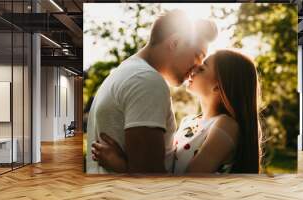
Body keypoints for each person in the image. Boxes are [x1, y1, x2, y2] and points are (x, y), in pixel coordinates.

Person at [86, 9, 218, 173]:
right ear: (175, 43)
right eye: (198, 54)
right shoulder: (146, 81)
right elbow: (150, 180)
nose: (198, 65)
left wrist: (123, 166)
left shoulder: (125, 72)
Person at [92, 49, 263, 174]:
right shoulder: (189, 122)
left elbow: (188, 182)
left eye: (202, 69)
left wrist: (122, 166)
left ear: (218, 86)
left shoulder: (225, 125)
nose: (193, 69)